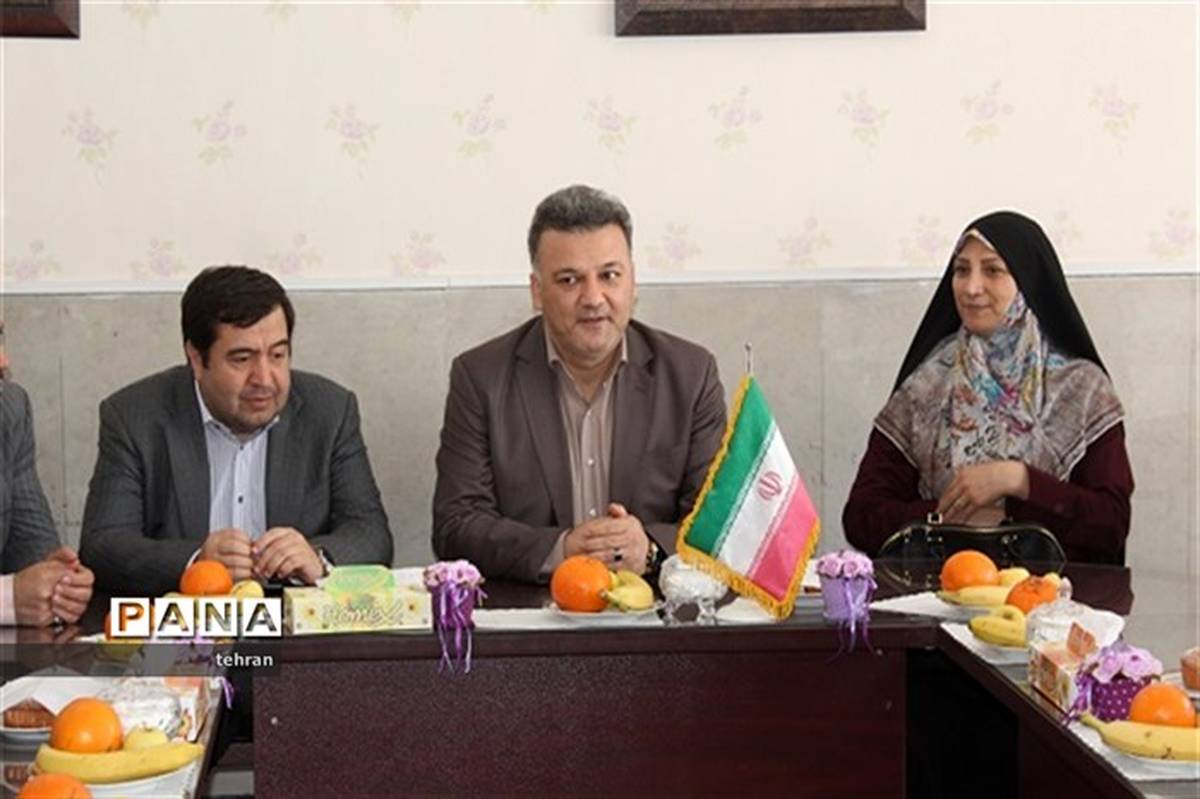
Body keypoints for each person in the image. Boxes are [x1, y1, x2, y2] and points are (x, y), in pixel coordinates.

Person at [433, 185, 727, 582]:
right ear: (538, 292)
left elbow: (720, 524)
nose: (593, 297)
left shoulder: (689, 374)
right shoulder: (481, 377)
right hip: (534, 610)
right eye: (570, 280)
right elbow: (455, 526)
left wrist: (651, 549)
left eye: (609, 276)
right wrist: (562, 550)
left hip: (651, 606)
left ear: (633, 282)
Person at [80, 266, 393, 596]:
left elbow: (372, 535)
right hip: (185, 618)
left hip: (292, 621)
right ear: (197, 359)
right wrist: (197, 561)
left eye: (278, 355)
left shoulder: (329, 411)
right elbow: (104, 546)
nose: (264, 378)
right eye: (242, 359)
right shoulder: (135, 417)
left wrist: (319, 559)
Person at [843, 211, 1133, 565]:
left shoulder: (1081, 389)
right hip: (939, 591)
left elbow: (1110, 525)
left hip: (1053, 595)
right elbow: (861, 517)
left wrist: (1018, 481)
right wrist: (951, 516)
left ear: (1028, 282)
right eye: (961, 270)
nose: (971, 287)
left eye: (993, 270)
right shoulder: (926, 387)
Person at [0, 322, 94, 626]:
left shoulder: (9, 407)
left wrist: (58, 584)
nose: (4, 361)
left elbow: (30, 541)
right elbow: (15, 596)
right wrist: (8, 599)